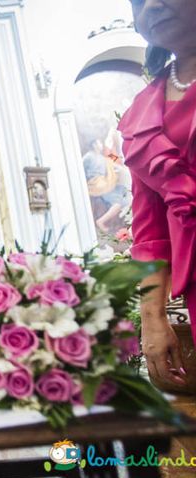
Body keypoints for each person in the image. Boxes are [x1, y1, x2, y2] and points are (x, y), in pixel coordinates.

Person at [118, 0, 196, 388]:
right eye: (137, 1)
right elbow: (150, 234)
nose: (150, 5)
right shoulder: (142, 113)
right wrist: (152, 317)